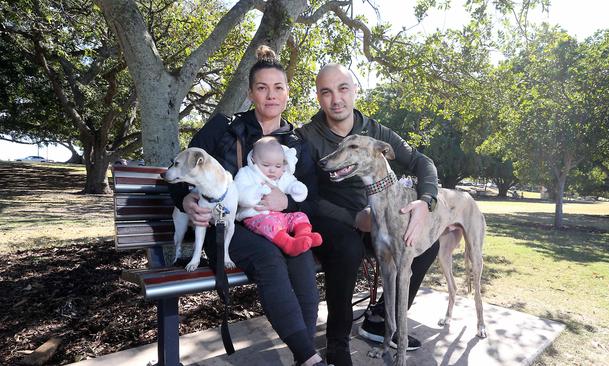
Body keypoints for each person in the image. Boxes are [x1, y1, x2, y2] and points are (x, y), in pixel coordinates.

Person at [170, 46, 328, 366]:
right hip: (226, 229)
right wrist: (186, 200)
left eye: (278, 87)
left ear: (287, 94)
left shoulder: (297, 143)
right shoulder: (223, 128)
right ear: (250, 93)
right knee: (269, 257)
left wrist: (288, 200)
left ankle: (305, 357)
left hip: (277, 226)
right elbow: (181, 171)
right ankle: (310, 359)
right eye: (262, 87)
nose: (271, 95)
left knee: (300, 256)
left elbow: (312, 200)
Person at [297, 63, 440, 366]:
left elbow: (422, 162)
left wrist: (425, 202)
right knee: (347, 249)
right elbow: (306, 199)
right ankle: (337, 341)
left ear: (355, 90)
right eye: (326, 92)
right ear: (319, 98)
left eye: (343, 88)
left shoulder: (375, 131)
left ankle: (379, 321)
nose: (336, 99)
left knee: (427, 242)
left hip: (377, 217)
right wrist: (353, 219)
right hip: (333, 220)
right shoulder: (307, 137)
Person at [234, 136, 323, 256]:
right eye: (266, 165)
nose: (272, 170)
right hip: (257, 218)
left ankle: (303, 235)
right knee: (270, 224)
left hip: (280, 217)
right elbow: (240, 194)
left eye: (277, 166)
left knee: (300, 216)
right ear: (254, 160)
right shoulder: (247, 173)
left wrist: (297, 189)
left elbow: (292, 183)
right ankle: (288, 244)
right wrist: (258, 191)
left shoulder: (282, 175)